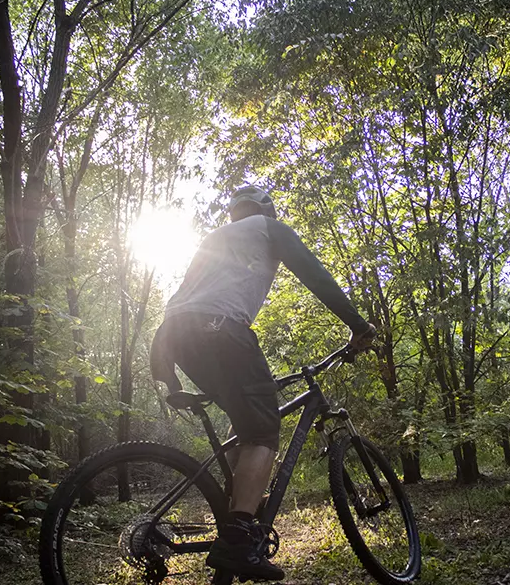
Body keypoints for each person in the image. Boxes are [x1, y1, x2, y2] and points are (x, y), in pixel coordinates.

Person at [149, 186, 375, 581]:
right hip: (220, 328)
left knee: (246, 420)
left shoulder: (214, 238)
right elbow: (315, 275)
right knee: (264, 433)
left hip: (173, 336)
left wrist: (167, 376)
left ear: (234, 210)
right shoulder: (268, 228)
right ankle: (237, 540)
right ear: (265, 209)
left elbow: (183, 299)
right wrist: (358, 325)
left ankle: (241, 510)